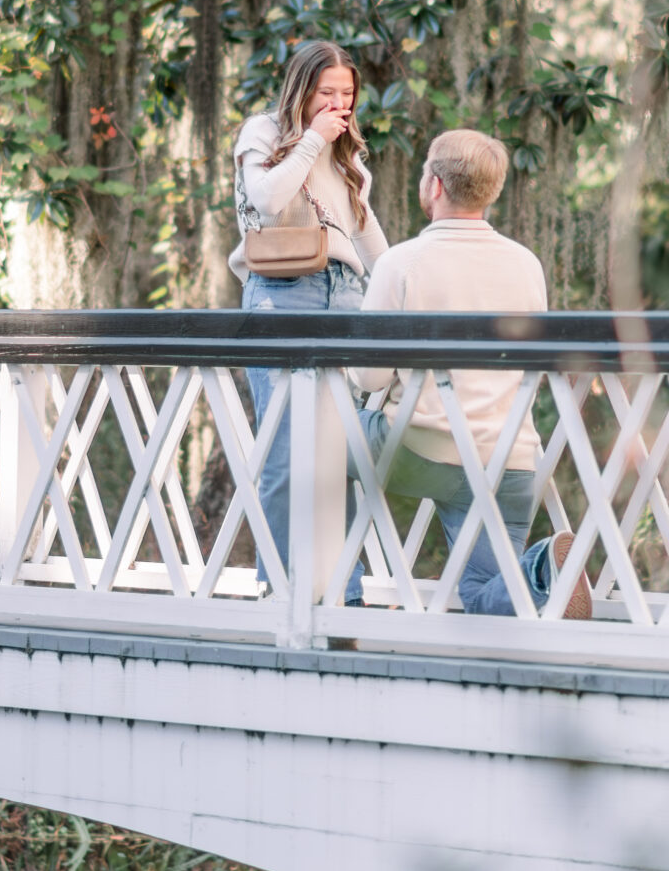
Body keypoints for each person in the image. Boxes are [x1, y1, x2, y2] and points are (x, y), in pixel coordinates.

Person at [354, 129, 575, 616]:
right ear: (491, 191)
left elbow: (367, 379)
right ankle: (540, 571)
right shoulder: (526, 264)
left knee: (314, 438)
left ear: (434, 185)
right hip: (510, 458)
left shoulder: (401, 262)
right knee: (484, 591)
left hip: (420, 448)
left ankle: (336, 589)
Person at [231, 40, 388, 579]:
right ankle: (281, 590)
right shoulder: (264, 132)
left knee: (335, 456)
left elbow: (362, 230)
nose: (338, 105)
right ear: (301, 90)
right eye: (327, 93)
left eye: (347, 95)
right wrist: (311, 141)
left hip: (346, 295)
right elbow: (267, 201)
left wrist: (396, 291)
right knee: (284, 454)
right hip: (283, 293)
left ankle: (342, 591)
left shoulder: (347, 151)